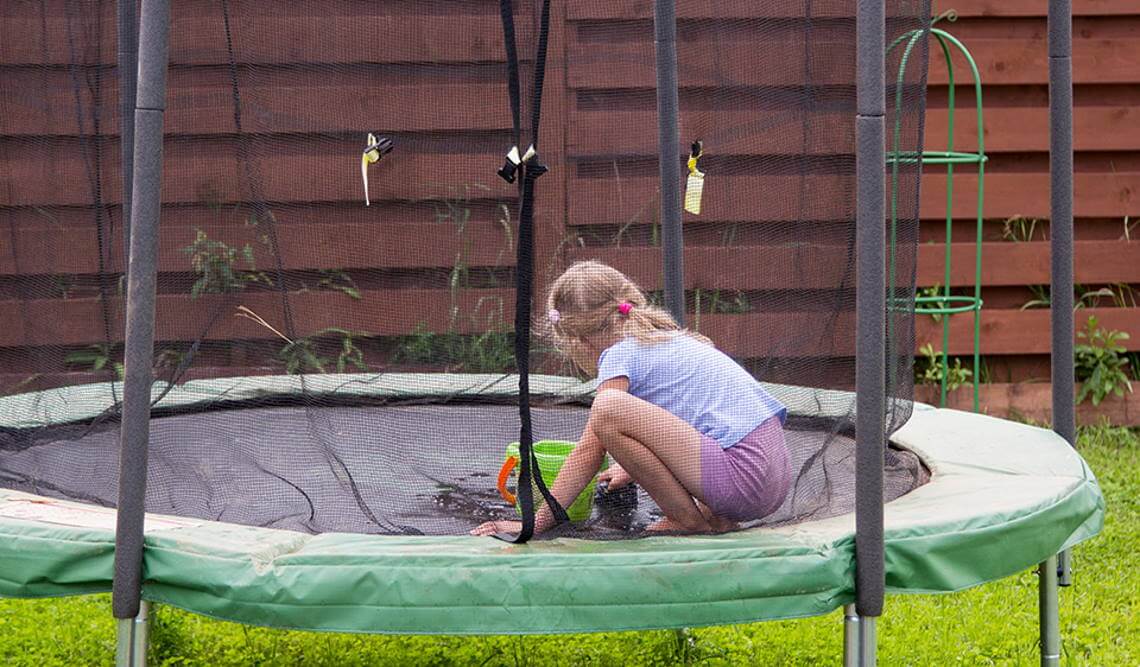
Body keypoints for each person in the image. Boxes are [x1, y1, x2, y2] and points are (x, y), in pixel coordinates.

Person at [471, 260, 791, 536]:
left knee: (607, 409)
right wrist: (629, 467)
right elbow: (682, 420)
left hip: (741, 480)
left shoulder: (619, 354)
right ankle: (713, 518)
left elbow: (589, 451)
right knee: (615, 412)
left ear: (579, 339)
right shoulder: (666, 340)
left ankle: (686, 519)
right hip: (770, 479)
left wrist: (535, 522)